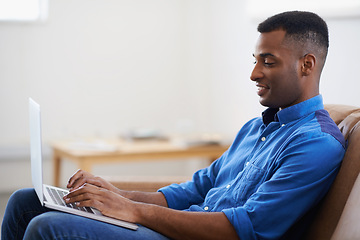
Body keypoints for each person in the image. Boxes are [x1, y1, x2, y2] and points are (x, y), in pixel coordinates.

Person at [2, 10, 346, 240]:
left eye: (268, 62)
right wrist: (117, 195)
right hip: (181, 227)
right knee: (26, 200)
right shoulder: (255, 128)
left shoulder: (316, 144)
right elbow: (196, 189)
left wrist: (133, 210)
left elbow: (245, 228)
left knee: (49, 227)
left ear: (307, 65)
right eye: (255, 61)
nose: (254, 74)